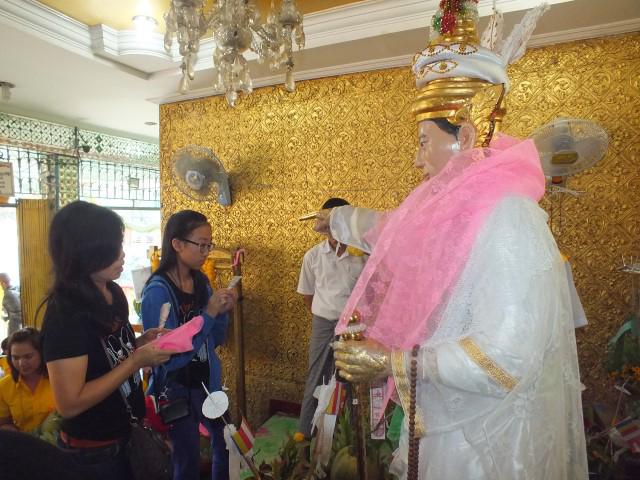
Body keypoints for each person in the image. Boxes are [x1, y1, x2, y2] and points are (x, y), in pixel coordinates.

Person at [325, 4, 588, 479]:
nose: (417, 159)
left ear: (464, 137)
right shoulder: (463, 215)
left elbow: (504, 358)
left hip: (483, 444)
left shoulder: (508, 218)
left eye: (423, 141)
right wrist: (339, 220)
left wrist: (391, 361)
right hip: (450, 420)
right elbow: (393, 231)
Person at [40, 201, 177, 480]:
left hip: (128, 434)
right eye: (114, 247)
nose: (122, 254)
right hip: (94, 452)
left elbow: (109, 357)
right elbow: (69, 403)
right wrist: (136, 361)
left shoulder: (112, 293)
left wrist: (140, 343)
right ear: (85, 252)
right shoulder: (66, 315)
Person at [141, 209, 237, 480]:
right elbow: (169, 356)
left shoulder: (201, 282)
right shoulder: (157, 291)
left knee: (227, 443)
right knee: (186, 459)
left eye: (209, 245)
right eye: (201, 244)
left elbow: (215, 340)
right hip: (176, 388)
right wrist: (209, 313)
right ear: (177, 244)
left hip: (207, 383)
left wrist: (221, 312)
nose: (206, 252)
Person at [296, 197, 366, 439]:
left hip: (355, 327)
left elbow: (374, 294)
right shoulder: (313, 256)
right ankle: (305, 436)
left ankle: (348, 439)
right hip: (323, 324)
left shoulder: (363, 255)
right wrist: (327, 315)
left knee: (351, 381)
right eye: (329, 223)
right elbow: (308, 295)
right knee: (317, 377)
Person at [0, 328, 54, 432]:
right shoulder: (4, 386)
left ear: (42, 353)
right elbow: (3, 423)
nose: (21, 363)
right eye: (16, 358)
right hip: (22, 440)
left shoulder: (57, 380)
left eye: (28, 357)